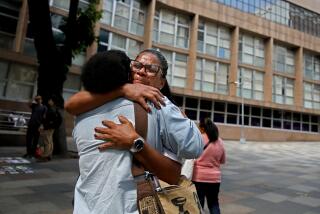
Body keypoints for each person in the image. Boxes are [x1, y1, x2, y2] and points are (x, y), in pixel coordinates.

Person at [72, 50, 203, 214]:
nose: (141, 71)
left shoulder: (82, 112)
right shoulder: (157, 106)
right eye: (137, 65)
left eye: (150, 68)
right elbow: (193, 149)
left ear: (161, 82)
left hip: (83, 207)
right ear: (128, 72)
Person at [192, 118, 226, 214]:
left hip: (198, 177)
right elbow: (223, 160)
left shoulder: (198, 138)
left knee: (198, 205)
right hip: (214, 179)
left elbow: (190, 155)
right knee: (214, 203)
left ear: (202, 128)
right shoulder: (220, 141)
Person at [38, 97, 62, 162]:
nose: (49, 101)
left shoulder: (52, 109)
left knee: (47, 141)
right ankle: (49, 155)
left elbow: (48, 120)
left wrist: (44, 126)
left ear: (53, 102)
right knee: (50, 141)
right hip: (51, 127)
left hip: (48, 128)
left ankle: (45, 156)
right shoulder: (55, 109)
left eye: (50, 100)